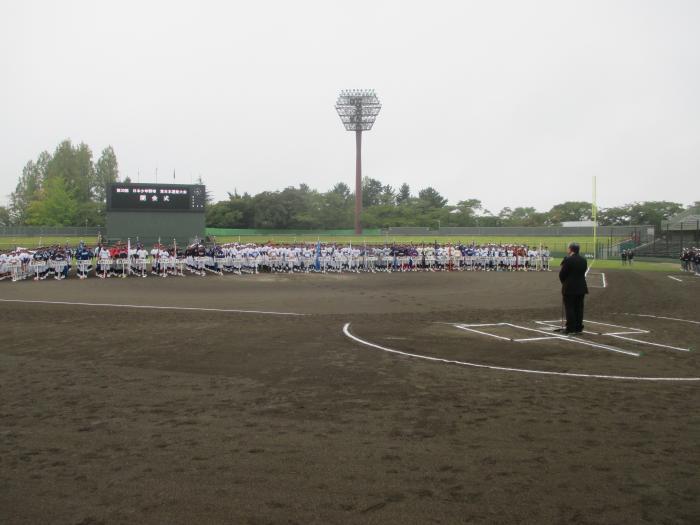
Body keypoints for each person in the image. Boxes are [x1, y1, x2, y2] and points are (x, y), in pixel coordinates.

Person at [557, 242, 588, 334]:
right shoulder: (583, 260)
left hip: (570, 287)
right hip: (581, 287)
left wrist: (565, 283)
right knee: (579, 308)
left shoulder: (568, 260)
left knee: (570, 308)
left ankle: (570, 328)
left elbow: (562, 274)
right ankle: (578, 327)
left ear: (571, 249)